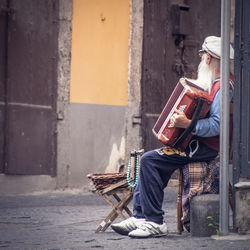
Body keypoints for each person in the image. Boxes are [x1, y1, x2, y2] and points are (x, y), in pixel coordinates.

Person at [111, 36, 234, 238]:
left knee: (150, 160)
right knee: (151, 160)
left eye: (202, 55)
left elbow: (218, 126)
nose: (201, 59)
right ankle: (141, 215)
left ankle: (154, 222)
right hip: (197, 144)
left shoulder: (222, 88)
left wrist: (187, 125)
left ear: (209, 58)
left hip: (205, 149)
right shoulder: (217, 84)